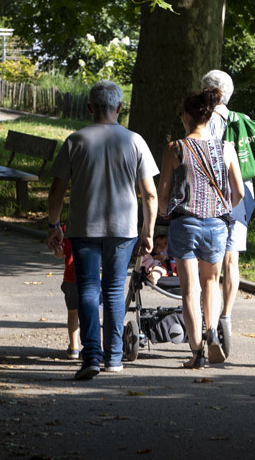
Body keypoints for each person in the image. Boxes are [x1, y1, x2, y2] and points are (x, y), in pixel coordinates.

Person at [47, 80, 159, 380]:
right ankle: (114, 358)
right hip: (123, 230)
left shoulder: (75, 140)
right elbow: (149, 194)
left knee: (87, 288)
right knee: (112, 288)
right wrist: (148, 231)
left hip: (83, 226)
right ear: (119, 108)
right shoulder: (135, 141)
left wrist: (54, 225)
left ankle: (91, 356)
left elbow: (56, 190)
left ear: (89, 108)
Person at [157, 88, 244, 368]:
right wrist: (222, 209)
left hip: (185, 224)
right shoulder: (226, 148)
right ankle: (213, 332)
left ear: (185, 116)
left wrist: (162, 213)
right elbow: (239, 192)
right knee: (211, 284)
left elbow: (163, 194)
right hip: (217, 226)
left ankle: (196, 353)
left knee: (189, 290)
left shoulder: (174, 149)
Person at [200, 69, 253, 357]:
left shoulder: (205, 121)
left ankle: (208, 321)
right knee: (232, 259)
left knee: (211, 263)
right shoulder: (242, 120)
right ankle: (227, 316)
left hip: (214, 192)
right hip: (243, 193)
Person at [51, 225, 81, 359]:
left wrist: (58, 249)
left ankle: (74, 347)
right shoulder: (94, 225)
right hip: (90, 277)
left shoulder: (65, 229)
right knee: (89, 312)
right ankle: (91, 347)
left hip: (71, 277)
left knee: (73, 312)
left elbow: (59, 254)